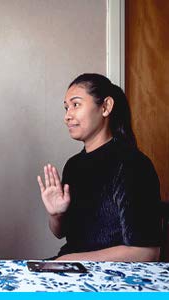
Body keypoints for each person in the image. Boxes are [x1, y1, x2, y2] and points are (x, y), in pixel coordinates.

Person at [37, 73, 162, 261]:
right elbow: (60, 233)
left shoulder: (133, 165)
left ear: (105, 107)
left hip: (113, 279)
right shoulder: (73, 165)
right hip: (71, 269)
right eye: (66, 108)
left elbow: (147, 252)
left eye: (76, 104)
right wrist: (56, 214)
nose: (67, 116)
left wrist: (69, 260)